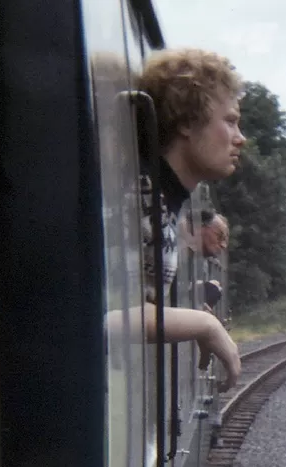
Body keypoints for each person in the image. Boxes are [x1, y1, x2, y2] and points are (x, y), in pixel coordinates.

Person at [106, 49, 245, 391]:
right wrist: (205, 325)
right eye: (229, 121)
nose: (240, 137)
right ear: (186, 121)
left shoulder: (158, 200)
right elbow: (103, 321)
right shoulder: (138, 202)